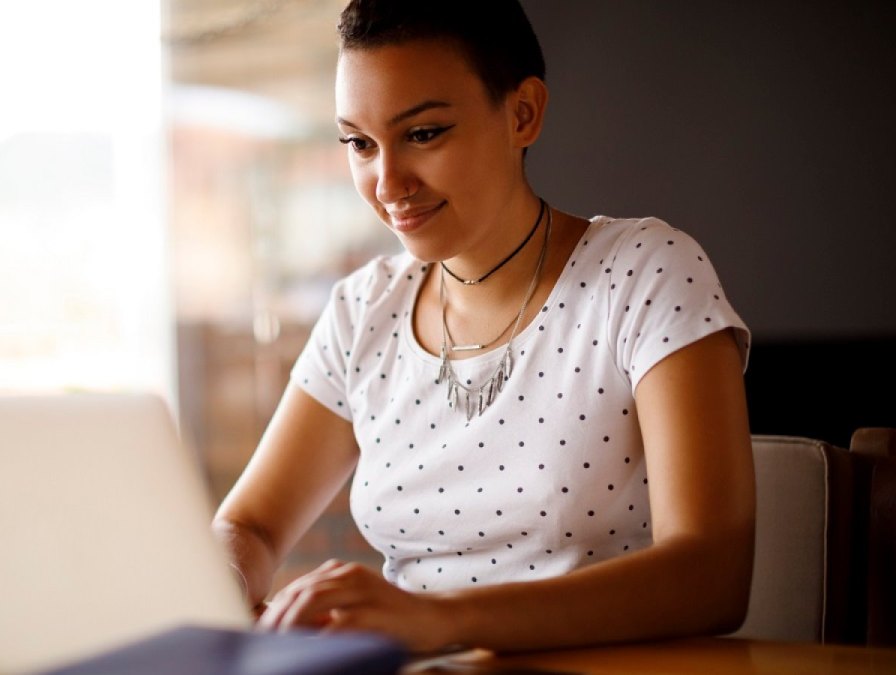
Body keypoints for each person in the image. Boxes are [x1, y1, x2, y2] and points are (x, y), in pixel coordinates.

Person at [212, 0, 755, 654]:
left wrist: (444, 618)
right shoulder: (364, 309)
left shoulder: (643, 273)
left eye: (423, 134)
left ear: (523, 113)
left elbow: (712, 572)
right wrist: (225, 580)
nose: (387, 183)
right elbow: (252, 522)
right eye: (359, 143)